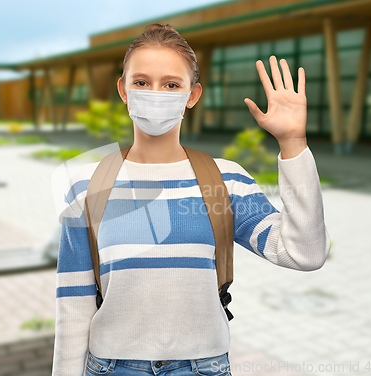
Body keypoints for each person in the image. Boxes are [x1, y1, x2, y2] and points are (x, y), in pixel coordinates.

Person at [52, 23, 331, 376]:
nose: (155, 93)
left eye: (171, 84)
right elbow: (73, 304)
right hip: (110, 367)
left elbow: (304, 253)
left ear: (192, 94)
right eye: (141, 82)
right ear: (123, 90)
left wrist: (293, 143)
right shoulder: (88, 184)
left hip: (203, 368)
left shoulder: (224, 180)